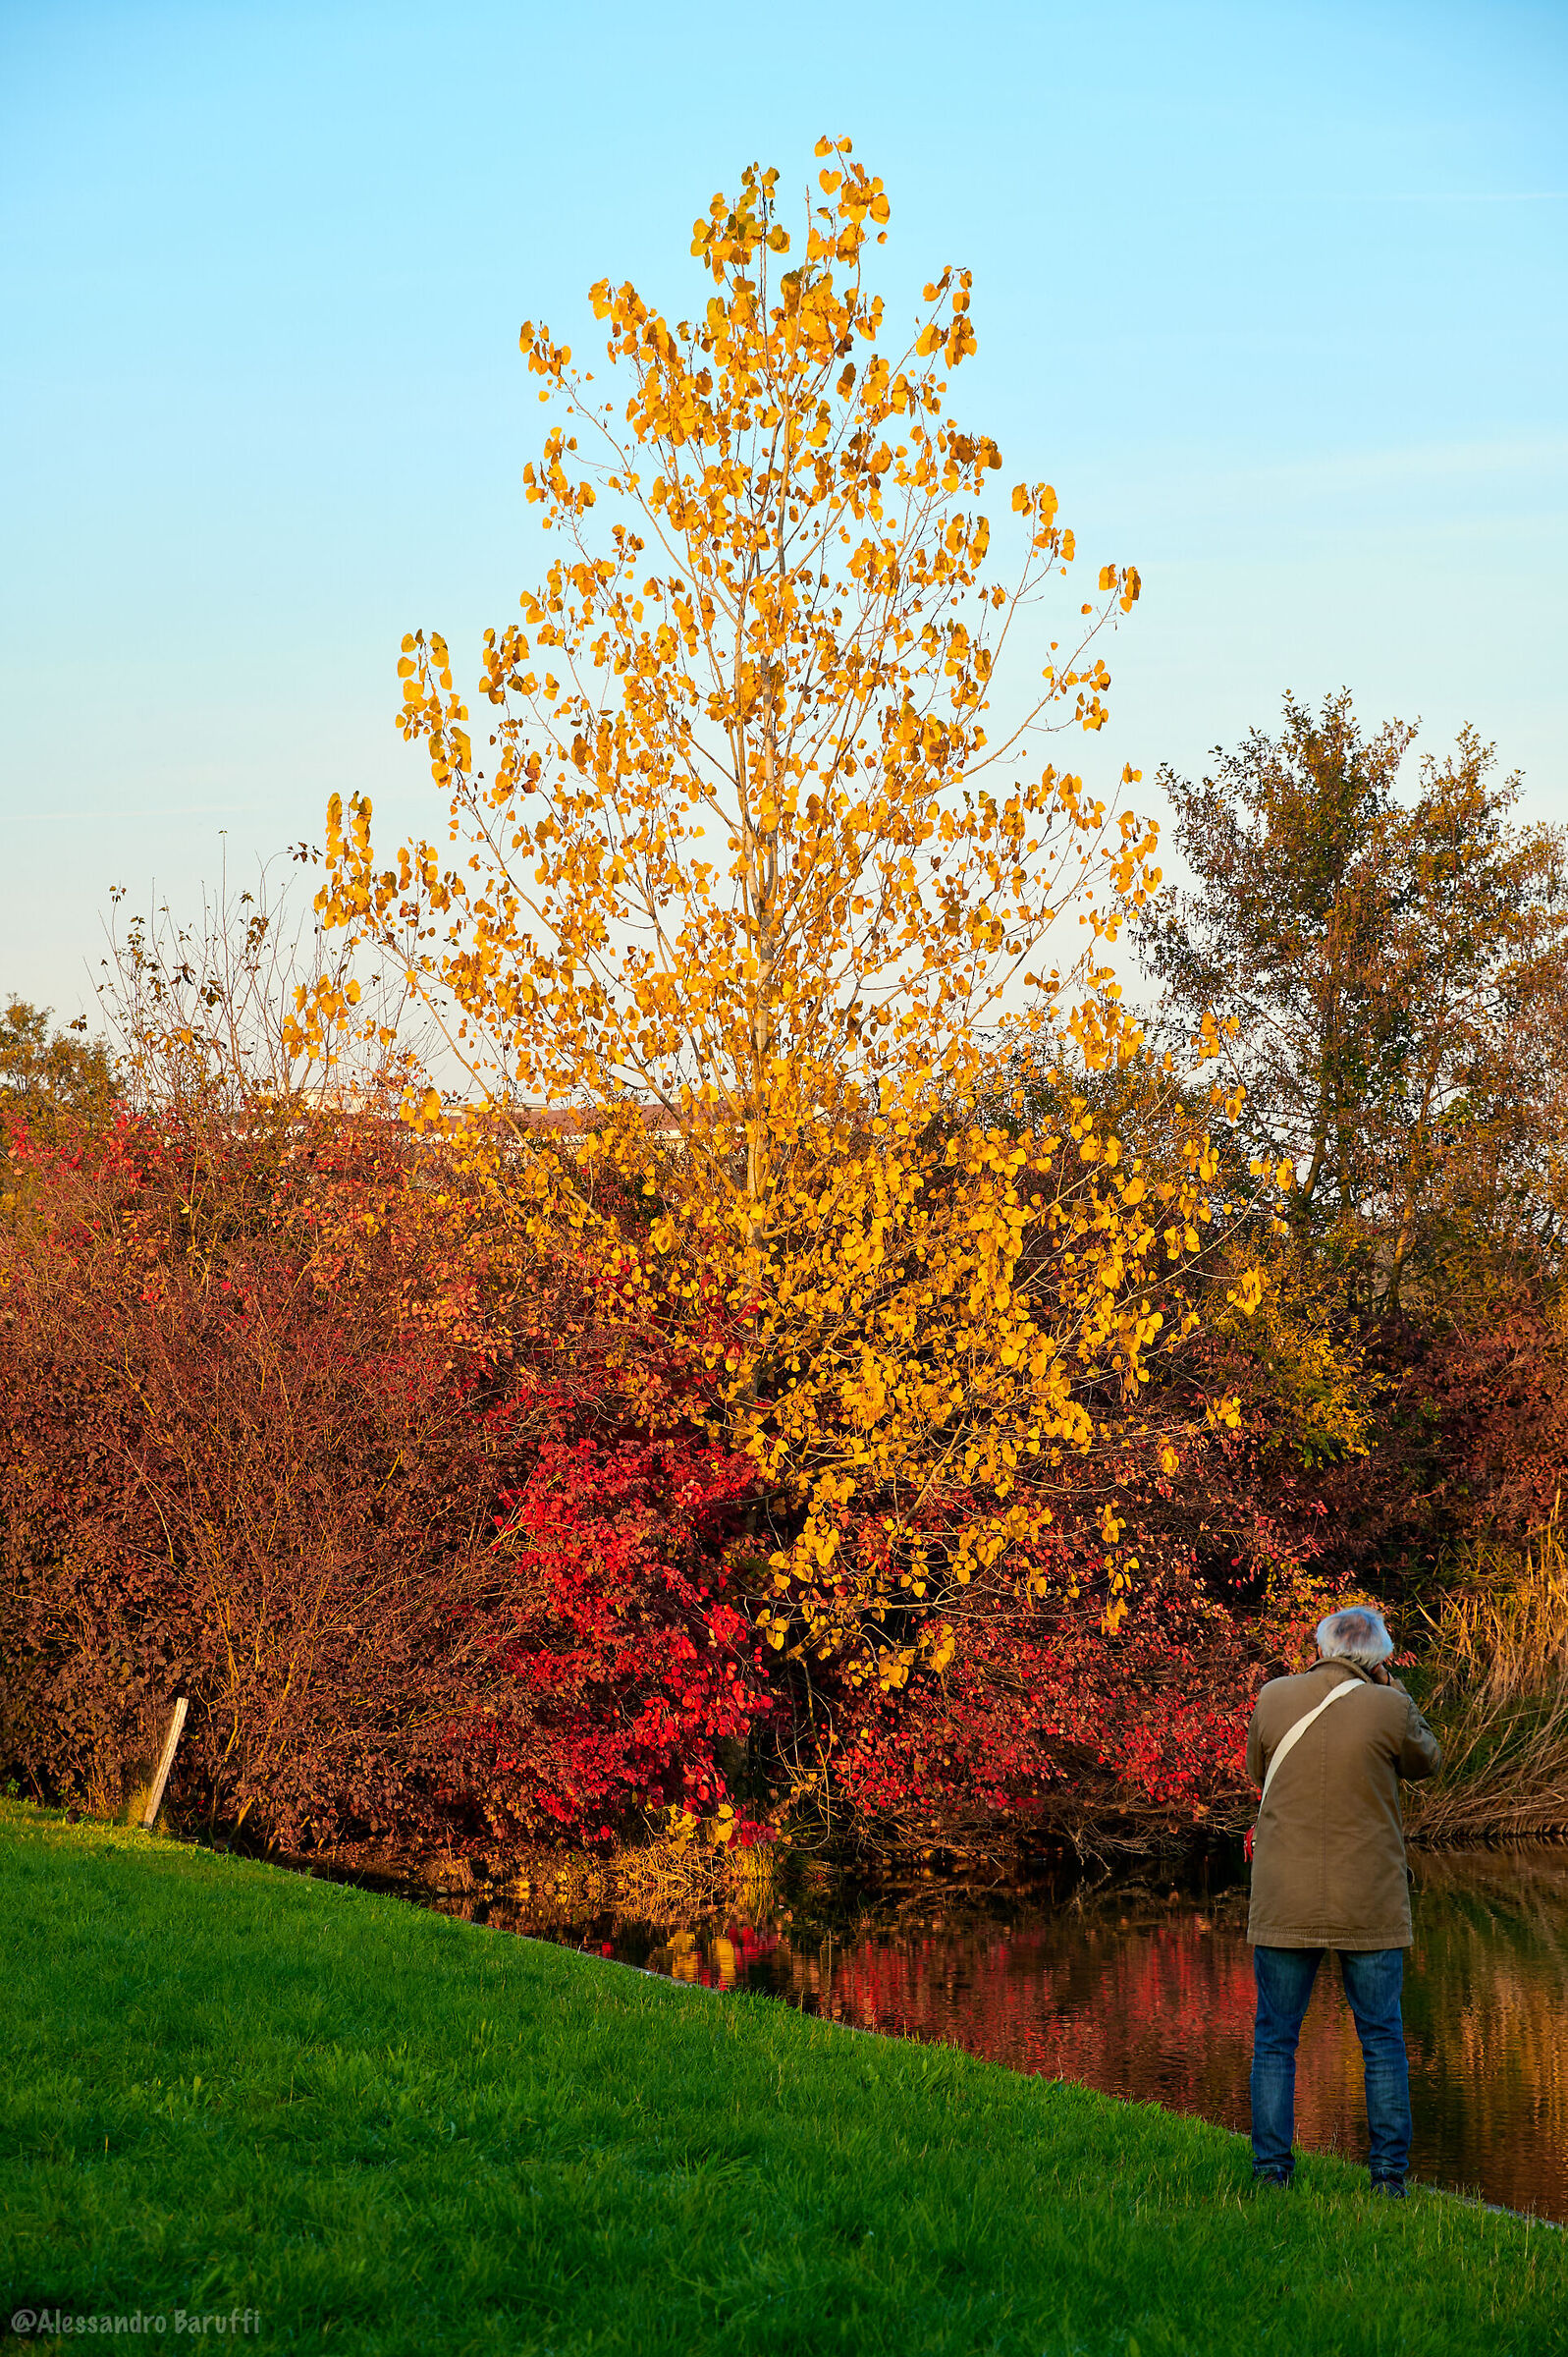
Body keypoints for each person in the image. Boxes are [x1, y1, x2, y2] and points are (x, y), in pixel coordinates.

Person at [1245, 1606, 1441, 2196]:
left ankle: (1272, 2175)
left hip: (1285, 1895)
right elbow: (1427, 1759)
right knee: (1381, 2039)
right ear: (1380, 1657)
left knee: (1275, 2038)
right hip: (1369, 1899)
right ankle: (1387, 2181)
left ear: (1320, 1646)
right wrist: (1395, 1687)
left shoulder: (1273, 1697)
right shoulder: (1390, 1706)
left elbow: (1259, 1773)